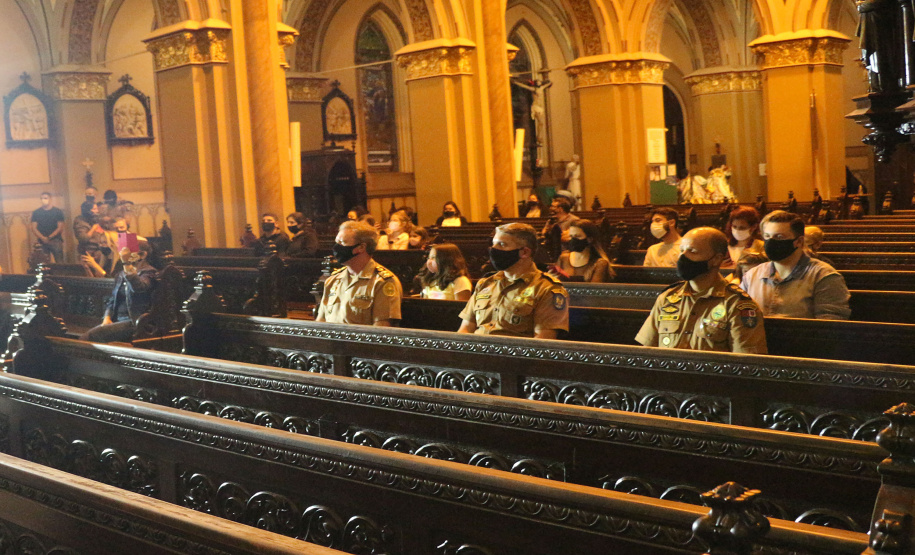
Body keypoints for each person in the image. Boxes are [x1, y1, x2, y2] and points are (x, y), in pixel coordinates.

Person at [636, 227, 767, 354]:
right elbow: (648, 352)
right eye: (682, 250)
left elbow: (745, 364)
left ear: (716, 259)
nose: (682, 257)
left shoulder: (737, 305)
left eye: (692, 251)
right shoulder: (667, 297)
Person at [458, 222, 569, 338]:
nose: (494, 249)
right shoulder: (486, 283)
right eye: (493, 244)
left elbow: (542, 341)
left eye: (502, 244)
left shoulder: (546, 289)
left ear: (525, 252)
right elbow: (465, 328)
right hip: (476, 352)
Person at [741, 210, 851, 320]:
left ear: (799, 241)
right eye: (767, 236)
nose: (771, 242)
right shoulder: (752, 275)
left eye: (779, 237)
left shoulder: (823, 276)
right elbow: (739, 315)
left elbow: (829, 326)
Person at [316, 221, 403, 326]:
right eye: (336, 242)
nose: (336, 248)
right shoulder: (333, 280)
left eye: (342, 243)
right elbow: (320, 322)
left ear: (361, 247)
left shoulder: (382, 282)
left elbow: (381, 330)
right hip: (332, 341)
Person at [79, 240, 157, 343]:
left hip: (135, 321)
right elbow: (112, 299)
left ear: (142, 255)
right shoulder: (121, 274)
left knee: (91, 337)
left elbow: (139, 288)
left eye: (129, 252)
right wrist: (107, 317)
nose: (123, 254)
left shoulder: (149, 272)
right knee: (86, 337)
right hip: (117, 319)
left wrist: (126, 263)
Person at [30, 192, 65, 263]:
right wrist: (42, 238)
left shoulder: (58, 211)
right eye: (42, 198)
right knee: (44, 264)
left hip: (56, 240)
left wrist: (49, 237)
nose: (43, 200)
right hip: (42, 241)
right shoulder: (36, 212)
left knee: (60, 263)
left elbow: (60, 227)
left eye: (45, 198)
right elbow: (34, 228)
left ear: (50, 199)